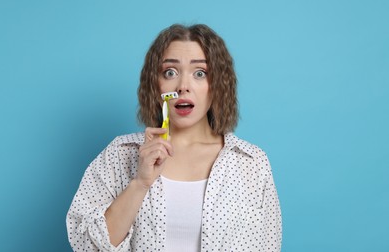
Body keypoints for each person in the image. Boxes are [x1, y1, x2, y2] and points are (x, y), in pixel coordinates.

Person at [66, 24, 282, 252]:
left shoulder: (251, 163)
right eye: (170, 72)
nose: (183, 87)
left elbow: (268, 246)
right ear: (155, 83)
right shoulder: (120, 154)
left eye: (200, 73)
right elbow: (87, 246)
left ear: (218, 85)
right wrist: (140, 183)